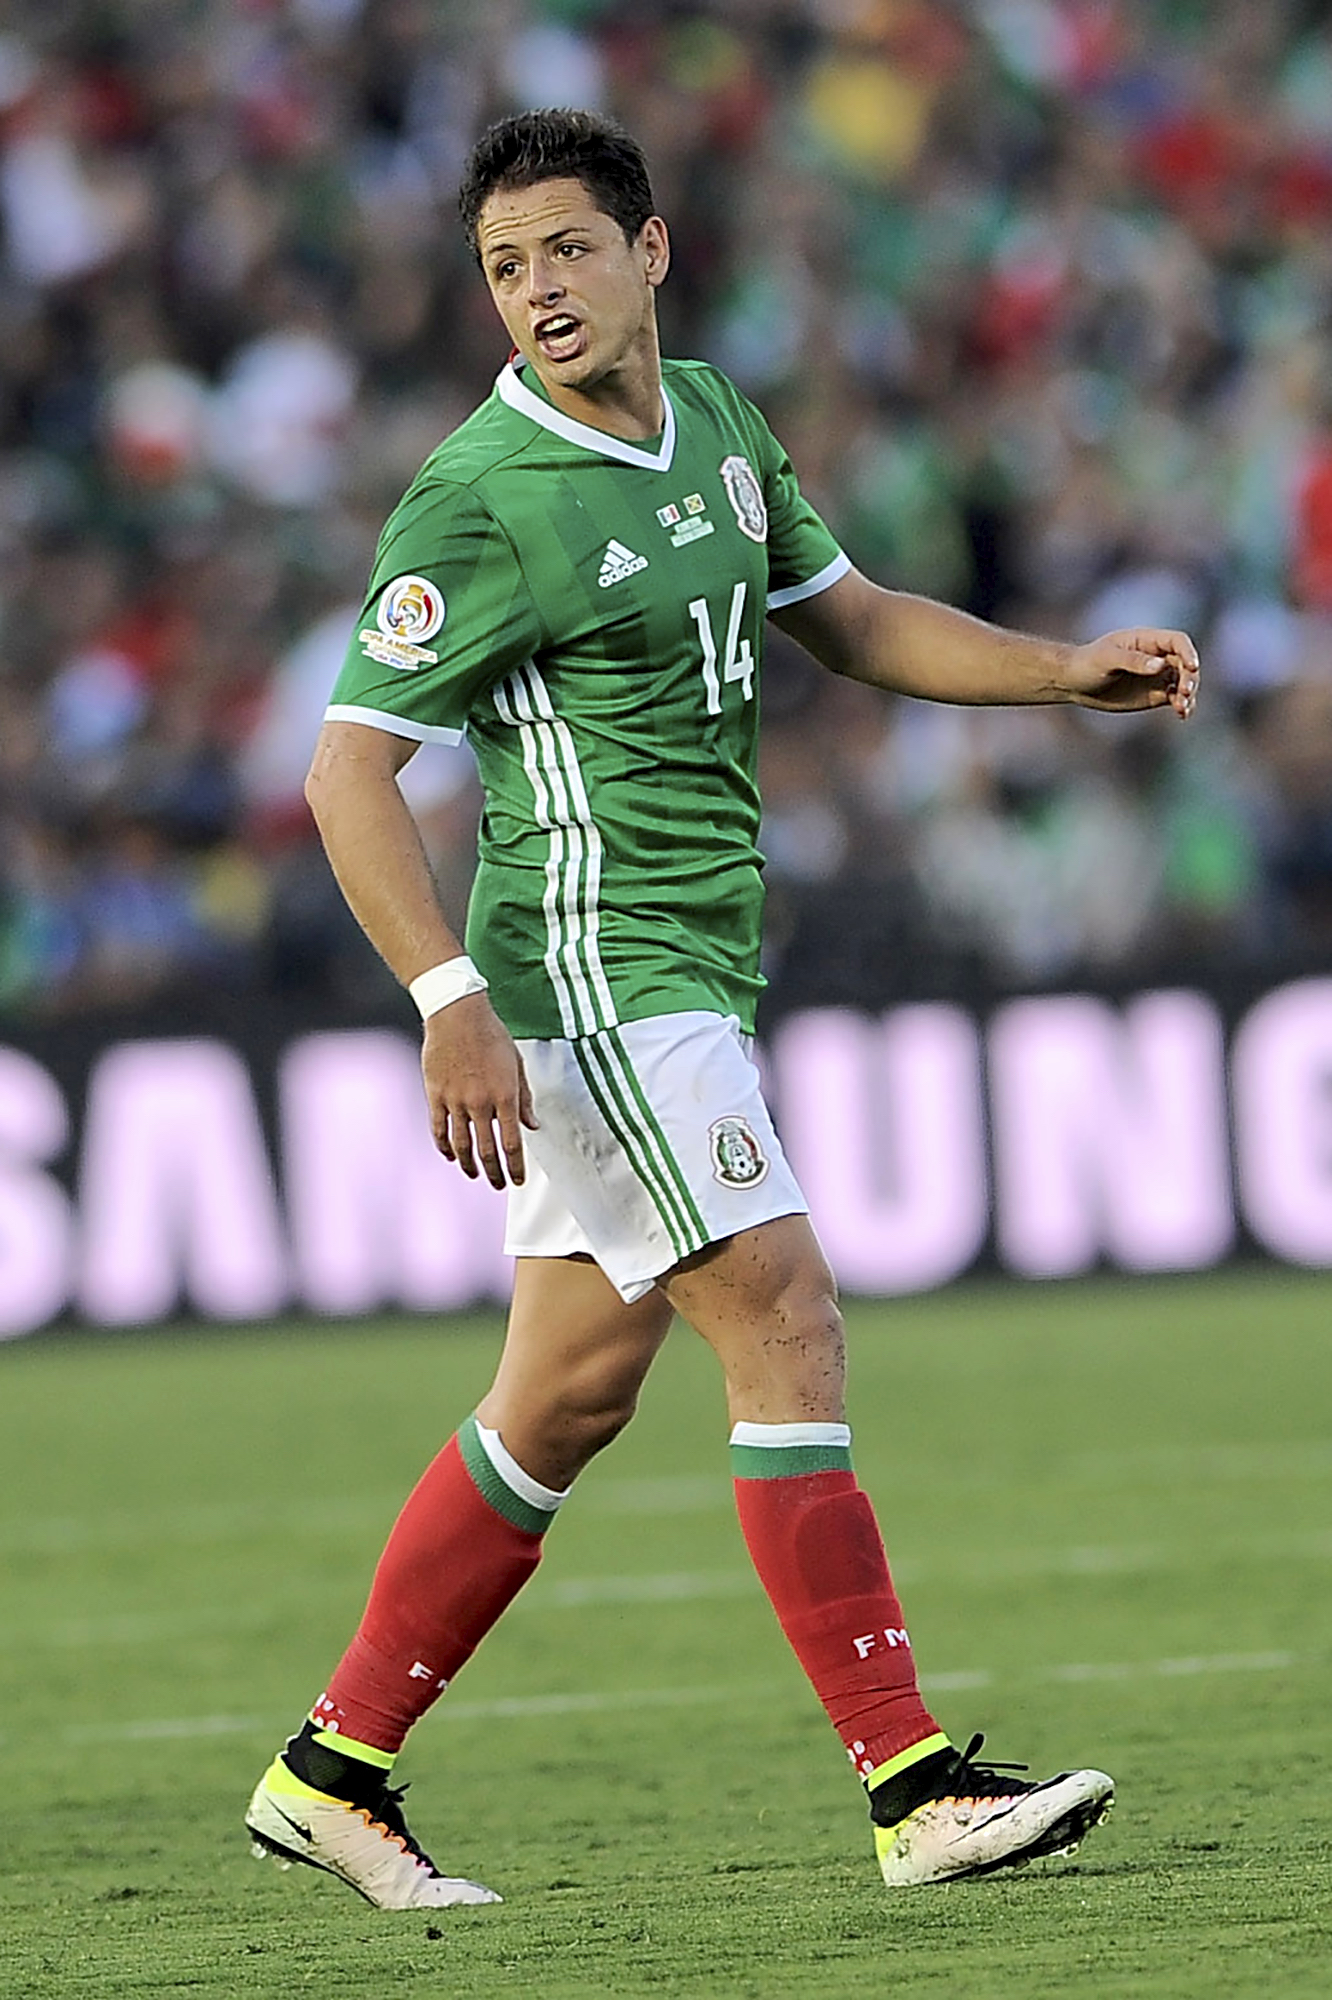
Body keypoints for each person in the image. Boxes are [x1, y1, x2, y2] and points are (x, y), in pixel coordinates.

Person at [244, 108, 1200, 1910]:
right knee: (787, 1320)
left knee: (566, 1396)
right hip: (594, 975)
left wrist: (1062, 670)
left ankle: (332, 1767)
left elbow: (851, 623)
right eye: (504, 267)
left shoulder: (728, 432)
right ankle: (914, 1789)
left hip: (696, 966)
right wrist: (445, 996)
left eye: (566, 251)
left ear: (652, 251)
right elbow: (345, 771)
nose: (537, 290)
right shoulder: (481, 495)